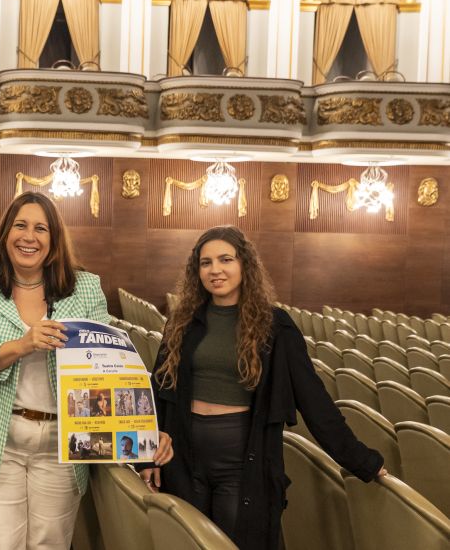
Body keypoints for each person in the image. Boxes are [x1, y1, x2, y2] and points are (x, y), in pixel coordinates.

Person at [137, 225, 385, 549]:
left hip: (242, 464)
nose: (215, 270)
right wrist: (146, 455)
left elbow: (315, 401)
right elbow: (158, 391)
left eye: (225, 259)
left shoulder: (275, 326)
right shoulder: (182, 321)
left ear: (245, 265)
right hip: (183, 459)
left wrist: (364, 461)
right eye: (206, 262)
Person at [0, 191, 110, 550]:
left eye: (41, 228)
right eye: (20, 225)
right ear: (6, 233)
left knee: (49, 544)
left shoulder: (85, 287)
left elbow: (104, 364)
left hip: (60, 444)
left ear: (53, 241)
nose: (29, 236)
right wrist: (22, 345)